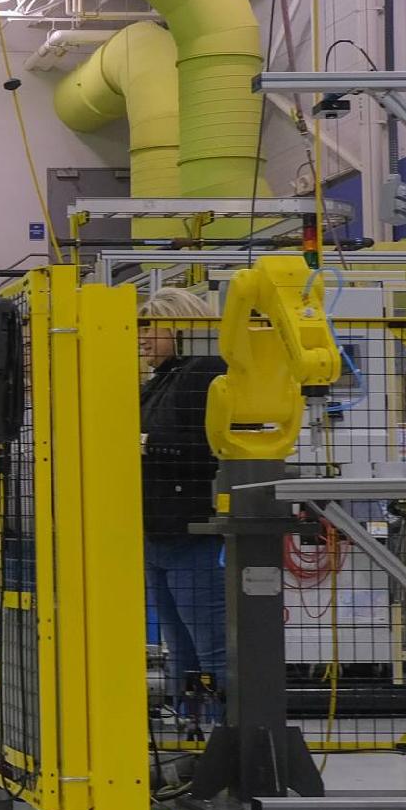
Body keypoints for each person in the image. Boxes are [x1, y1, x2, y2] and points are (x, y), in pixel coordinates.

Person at [140, 286, 227, 723]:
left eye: (152, 328)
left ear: (181, 327)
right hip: (157, 532)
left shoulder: (205, 372)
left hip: (190, 531)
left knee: (210, 642)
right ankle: (191, 724)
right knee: (180, 644)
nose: (144, 338)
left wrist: (147, 444)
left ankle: (227, 732)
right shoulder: (161, 381)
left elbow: (206, 448)